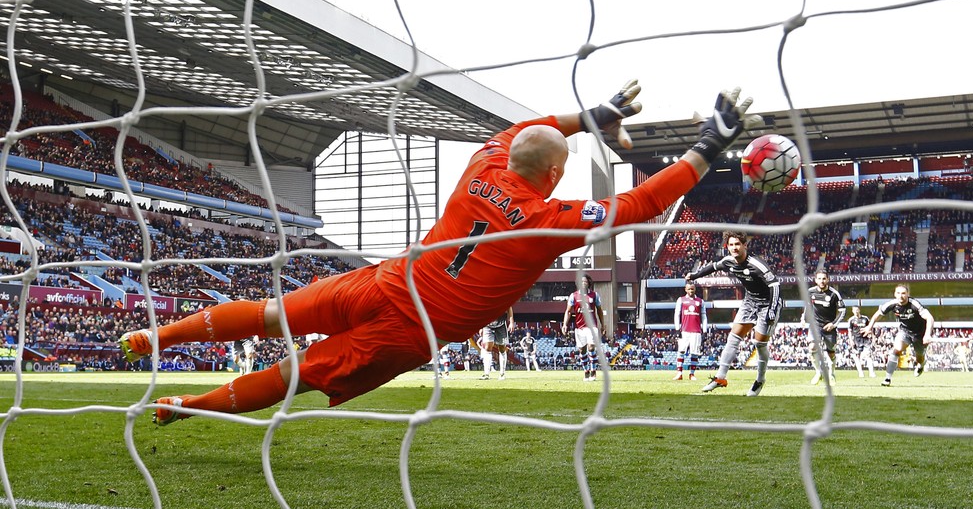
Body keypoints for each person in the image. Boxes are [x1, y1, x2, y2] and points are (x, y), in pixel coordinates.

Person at [118, 82, 758, 425]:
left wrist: (590, 115)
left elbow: (524, 133)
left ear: (511, 158)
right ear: (557, 176)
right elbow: (640, 205)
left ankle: (152, 339)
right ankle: (185, 406)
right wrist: (710, 144)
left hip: (385, 279)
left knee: (269, 314)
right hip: (411, 327)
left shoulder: (481, 163)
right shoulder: (544, 219)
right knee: (299, 375)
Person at [688, 231, 782, 397]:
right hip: (750, 301)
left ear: (745, 245)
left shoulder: (757, 264)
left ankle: (760, 380)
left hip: (768, 304)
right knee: (733, 337)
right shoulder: (729, 261)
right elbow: (713, 267)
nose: (734, 248)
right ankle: (720, 378)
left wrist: (772, 310)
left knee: (759, 344)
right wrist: (695, 276)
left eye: (737, 244)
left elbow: (774, 285)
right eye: (731, 245)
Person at [862, 284, 935, 387]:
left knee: (919, 357)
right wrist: (869, 327)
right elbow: (878, 314)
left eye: (904, 293)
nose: (901, 296)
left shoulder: (914, 304)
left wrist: (927, 335)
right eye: (898, 293)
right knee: (897, 350)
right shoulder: (892, 304)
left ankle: (921, 364)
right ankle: (887, 378)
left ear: (908, 294)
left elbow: (930, 318)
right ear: (895, 294)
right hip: (904, 331)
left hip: (919, 334)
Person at [801, 270, 846, 385]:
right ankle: (818, 372)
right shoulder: (810, 292)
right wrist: (803, 317)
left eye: (824, 278)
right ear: (816, 280)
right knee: (812, 346)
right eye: (819, 279)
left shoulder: (834, 294)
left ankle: (831, 374)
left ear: (828, 280)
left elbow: (842, 311)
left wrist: (833, 324)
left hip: (829, 327)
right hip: (815, 324)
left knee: (831, 353)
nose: (822, 281)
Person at [563, 275, 606, 381]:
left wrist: (603, 325)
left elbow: (599, 310)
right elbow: (568, 311)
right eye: (581, 281)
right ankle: (586, 371)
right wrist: (565, 324)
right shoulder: (573, 296)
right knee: (582, 350)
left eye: (585, 281)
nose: (583, 283)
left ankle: (593, 370)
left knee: (591, 347)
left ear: (588, 283)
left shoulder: (594, 295)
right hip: (579, 327)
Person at [672, 280, 706, 381]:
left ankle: (692, 374)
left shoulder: (700, 301)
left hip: (696, 331)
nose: (691, 290)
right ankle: (679, 373)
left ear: (695, 289)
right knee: (681, 351)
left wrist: (704, 330)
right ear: (685, 289)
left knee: (694, 352)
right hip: (684, 330)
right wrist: (677, 329)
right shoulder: (681, 300)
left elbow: (704, 316)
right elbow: (677, 314)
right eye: (689, 289)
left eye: (692, 289)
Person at [479, 307, 515, 380]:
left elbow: (509, 307)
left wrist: (511, 322)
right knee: (487, 348)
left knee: (502, 348)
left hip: (501, 324)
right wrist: (481, 326)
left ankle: (502, 373)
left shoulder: (502, 296)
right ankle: (486, 374)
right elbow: (481, 310)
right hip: (487, 325)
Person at [847, 306, 876, 378]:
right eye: (854, 310)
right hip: (857, 340)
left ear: (859, 310)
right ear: (852, 311)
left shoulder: (865, 318)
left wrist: (873, 336)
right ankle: (860, 372)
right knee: (857, 356)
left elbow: (870, 328)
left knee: (868, 355)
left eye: (857, 310)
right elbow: (850, 331)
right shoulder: (851, 320)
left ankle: (871, 372)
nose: (856, 311)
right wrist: (851, 340)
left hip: (865, 339)